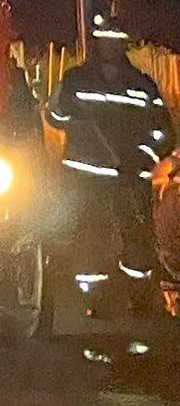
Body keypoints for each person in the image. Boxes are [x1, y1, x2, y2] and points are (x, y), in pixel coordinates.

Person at [46, 16, 172, 280]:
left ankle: (138, 288)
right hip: (86, 176)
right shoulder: (74, 81)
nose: (110, 48)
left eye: (115, 43)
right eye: (105, 42)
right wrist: (65, 109)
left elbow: (164, 131)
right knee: (89, 234)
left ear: (123, 46)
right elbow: (55, 117)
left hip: (130, 175)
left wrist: (144, 159)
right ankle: (96, 292)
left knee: (135, 233)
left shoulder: (143, 85)